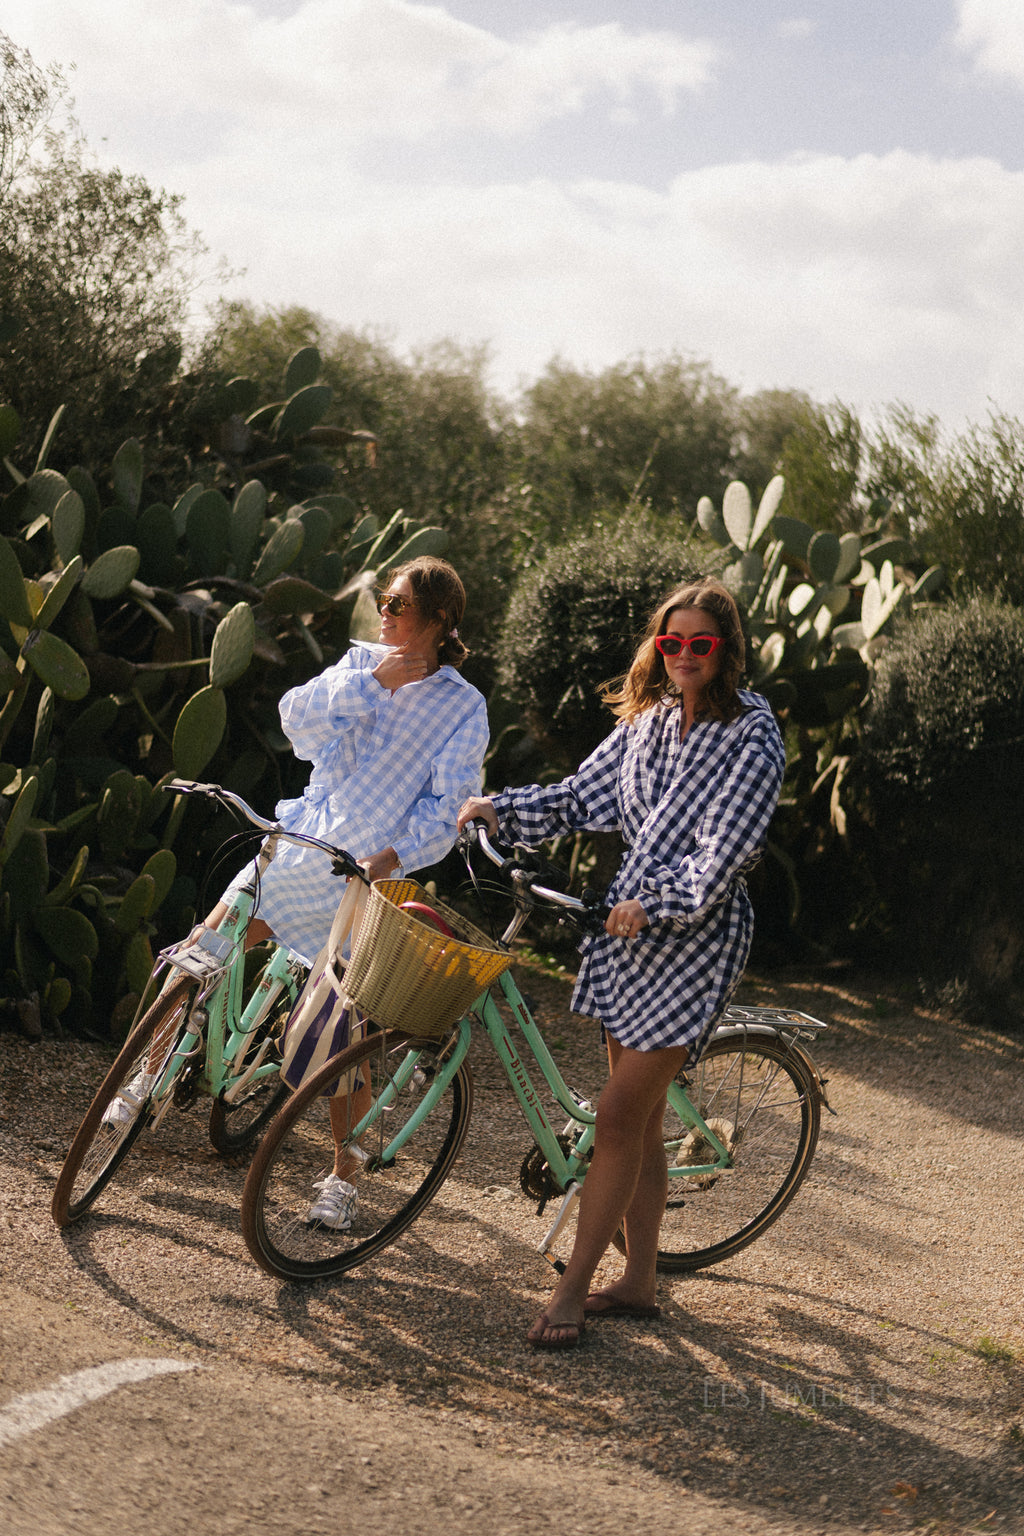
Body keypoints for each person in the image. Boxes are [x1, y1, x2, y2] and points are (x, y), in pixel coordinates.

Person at [110, 557, 488, 1232]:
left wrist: (389, 859)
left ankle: (345, 1175)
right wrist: (371, 681)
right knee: (204, 949)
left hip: (360, 877)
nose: (385, 614)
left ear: (438, 621)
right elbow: (297, 723)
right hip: (298, 842)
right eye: (385, 603)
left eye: (399, 606)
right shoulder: (359, 664)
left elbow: (447, 807)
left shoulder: (464, 706)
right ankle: (147, 1072)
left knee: (339, 1034)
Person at [457, 577, 784, 1349]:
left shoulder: (752, 733)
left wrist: (660, 901)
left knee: (613, 1115)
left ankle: (570, 1291)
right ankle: (639, 1282)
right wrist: (502, 809)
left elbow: (723, 853)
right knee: (633, 1121)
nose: (683, 657)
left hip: (693, 939)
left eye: (700, 644)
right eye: (671, 643)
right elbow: (580, 796)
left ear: (726, 650)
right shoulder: (648, 722)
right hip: (624, 933)